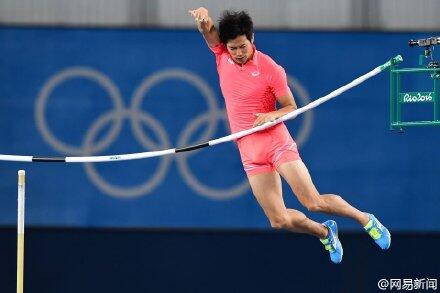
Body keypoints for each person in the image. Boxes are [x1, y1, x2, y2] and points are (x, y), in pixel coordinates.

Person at [188, 7, 390, 263]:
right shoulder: (221, 55)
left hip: (275, 142)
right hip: (249, 150)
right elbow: (208, 31)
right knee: (278, 220)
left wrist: (272, 115)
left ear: (252, 39)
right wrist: (203, 19)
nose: (238, 54)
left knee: (313, 202)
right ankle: (325, 232)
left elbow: (292, 108)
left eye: (242, 47)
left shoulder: (271, 68)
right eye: (233, 49)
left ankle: (366, 219)